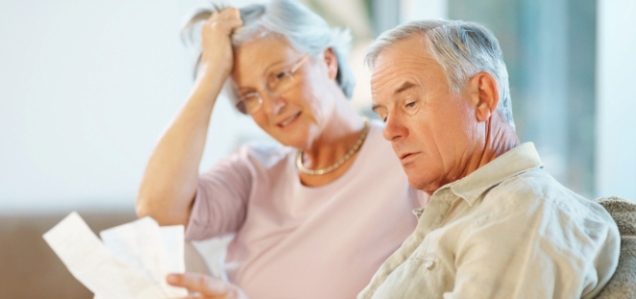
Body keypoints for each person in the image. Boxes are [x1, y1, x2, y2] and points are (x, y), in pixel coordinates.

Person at [136, 1, 424, 298]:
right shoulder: (254, 169)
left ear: (327, 61)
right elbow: (157, 209)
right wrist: (210, 76)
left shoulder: (406, 155)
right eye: (250, 96)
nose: (272, 106)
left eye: (280, 76)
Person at [357, 20, 621, 298]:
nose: (389, 132)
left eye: (410, 103)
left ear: (483, 97)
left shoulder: (521, 211)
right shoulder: (470, 213)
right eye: (384, 115)